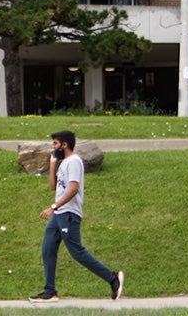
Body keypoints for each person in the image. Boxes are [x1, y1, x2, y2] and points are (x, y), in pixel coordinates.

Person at [30, 130, 124, 303]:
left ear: (64, 145)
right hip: (59, 214)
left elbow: (73, 189)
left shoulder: (74, 161)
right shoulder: (63, 162)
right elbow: (53, 187)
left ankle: (113, 278)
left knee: (77, 251)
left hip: (68, 213)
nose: (53, 147)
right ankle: (50, 291)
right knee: (48, 249)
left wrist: (53, 207)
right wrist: (52, 165)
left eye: (55, 144)